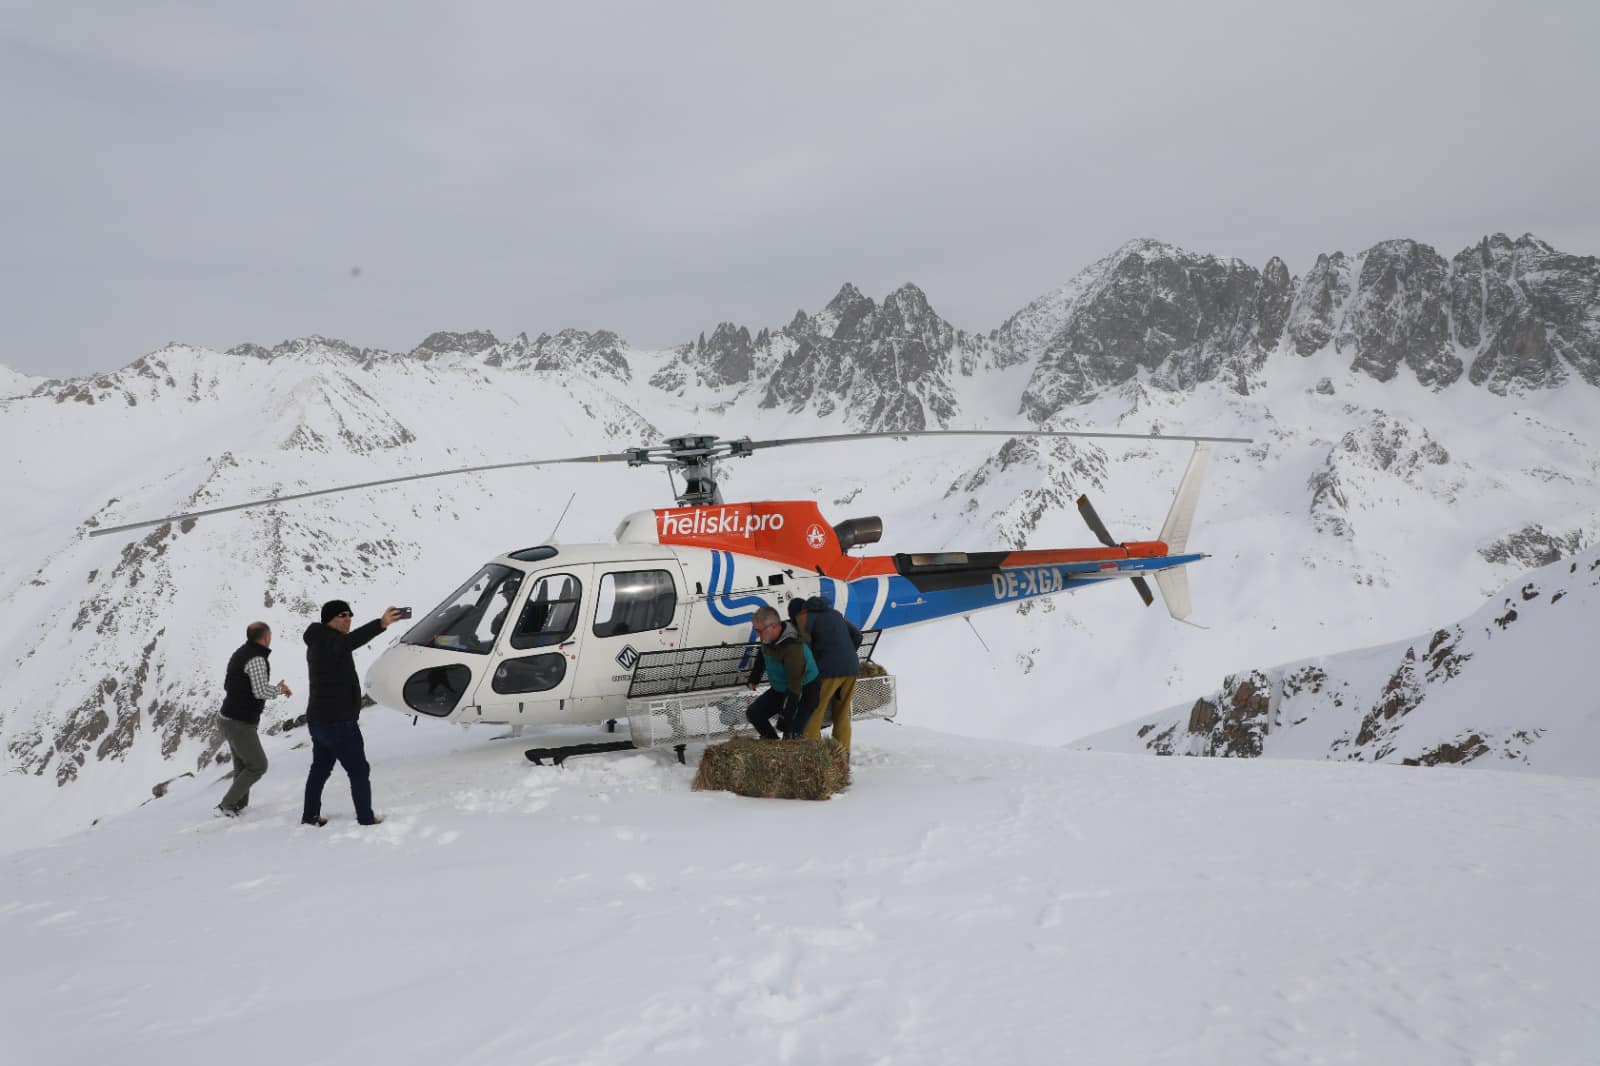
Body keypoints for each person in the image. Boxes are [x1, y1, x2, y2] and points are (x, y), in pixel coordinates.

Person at [301, 599, 403, 827]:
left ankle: (310, 816)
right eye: (343, 615)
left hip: (319, 719)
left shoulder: (319, 640)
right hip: (338, 721)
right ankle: (366, 819)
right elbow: (351, 641)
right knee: (358, 770)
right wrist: (381, 623)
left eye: (350, 615)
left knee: (320, 769)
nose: (348, 619)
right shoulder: (330, 641)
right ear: (330, 619)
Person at [216, 621, 291, 817]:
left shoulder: (240, 653)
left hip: (227, 717)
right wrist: (279, 689)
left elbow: (231, 684)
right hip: (239, 722)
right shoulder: (257, 659)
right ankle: (227, 805)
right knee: (258, 765)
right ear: (266, 637)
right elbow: (260, 691)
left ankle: (237, 807)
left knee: (242, 765)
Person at [790, 596, 863, 752]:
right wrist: (846, 655)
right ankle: (842, 757)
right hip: (851, 668)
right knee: (842, 714)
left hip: (828, 671)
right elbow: (858, 635)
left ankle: (814, 755)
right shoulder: (835, 614)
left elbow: (804, 649)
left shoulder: (803, 618)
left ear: (798, 612)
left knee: (814, 710)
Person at [744, 605, 820, 740]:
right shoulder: (768, 638)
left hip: (804, 691)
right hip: (782, 688)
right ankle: (773, 745)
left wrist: (786, 717)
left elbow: (795, 687)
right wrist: (754, 677)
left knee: (791, 735)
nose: (757, 635)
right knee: (754, 713)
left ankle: (787, 747)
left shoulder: (793, 649)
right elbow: (763, 654)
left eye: (759, 631)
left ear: (773, 627)